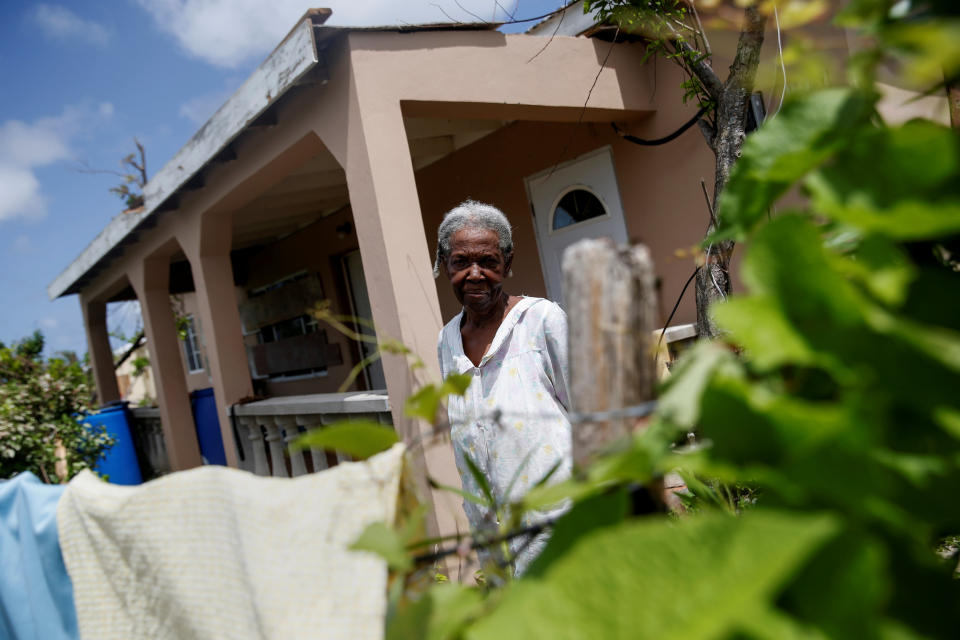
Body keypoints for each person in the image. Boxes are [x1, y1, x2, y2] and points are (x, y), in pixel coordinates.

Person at [434, 199, 572, 575]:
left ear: (507, 264)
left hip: (557, 521)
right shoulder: (447, 340)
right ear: (446, 265)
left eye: (489, 262)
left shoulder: (541, 320)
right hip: (490, 531)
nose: (475, 274)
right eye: (461, 262)